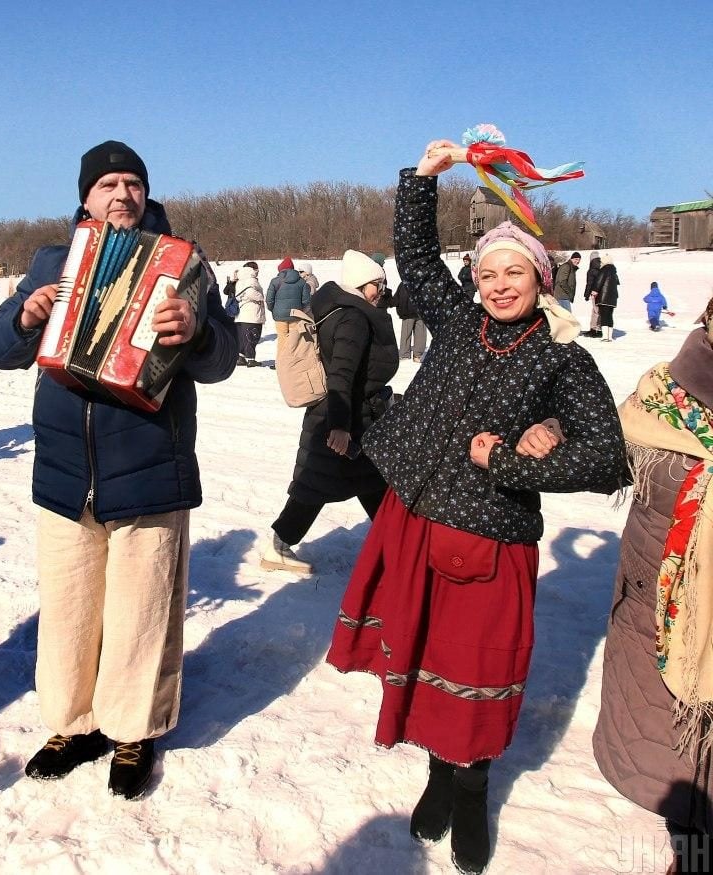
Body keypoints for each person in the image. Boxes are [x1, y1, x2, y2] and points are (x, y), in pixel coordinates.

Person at [325, 141, 629, 874]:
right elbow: (416, 258)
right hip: (415, 519)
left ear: (540, 279)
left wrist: (517, 460)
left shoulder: (561, 359)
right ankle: (437, 774)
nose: (498, 286)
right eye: (488, 273)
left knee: (476, 675)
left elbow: (607, 457)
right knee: (423, 657)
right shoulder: (461, 322)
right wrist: (422, 181)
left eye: (513, 272)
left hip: (491, 538)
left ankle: (471, 789)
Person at [0, 140, 237, 800]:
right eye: (108, 184)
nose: (122, 194)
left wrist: (198, 331)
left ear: (146, 193)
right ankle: (74, 723)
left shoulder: (185, 262)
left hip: (149, 463)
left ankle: (133, 729)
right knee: (69, 608)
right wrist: (24, 316)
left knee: (141, 610)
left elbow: (223, 358)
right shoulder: (51, 260)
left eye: (133, 183)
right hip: (67, 471)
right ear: (86, 197)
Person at [593, 308, 713, 875]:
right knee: (682, 784)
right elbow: (601, 456)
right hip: (658, 634)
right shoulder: (663, 397)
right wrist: (550, 436)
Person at [262, 249, 398, 573]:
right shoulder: (353, 318)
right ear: (361, 284)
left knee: (372, 482)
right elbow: (341, 375)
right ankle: (279, 546)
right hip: (343, 416)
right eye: (376, 284)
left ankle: (398, 548)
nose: (380, 291)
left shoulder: (342, 308)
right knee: (316, 486)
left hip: (352, 416)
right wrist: (339, 425)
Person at [266, 257, 312, 342]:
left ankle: (283, 351)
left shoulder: (275, 281)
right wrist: (301, 311)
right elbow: (306, 301)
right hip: (296, 315)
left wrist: (274, 310)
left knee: (282, 340)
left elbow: (269, 300)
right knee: (294, 341)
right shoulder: (302, 281)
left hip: (280, 316)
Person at [233, 261, 266, 366]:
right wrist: (261, 297)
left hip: (242, 313)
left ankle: (241, 357)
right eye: (256, 269)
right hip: (252, 313)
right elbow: (251, 293)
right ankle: (251, 359)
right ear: (252, 270)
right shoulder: (251, 280)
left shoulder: (240, 280)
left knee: (243, 337)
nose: (258, 271)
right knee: (252, 336)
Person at [394, 280, 428, 362]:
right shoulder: (423, 282)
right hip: (416, 313)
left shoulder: (403, 283)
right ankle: (416, 355)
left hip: (409, 313)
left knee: (408, 334)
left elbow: (396, 299)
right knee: (419, 334)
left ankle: (407, 354)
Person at [595, 254, 620, 342]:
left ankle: (605, 337)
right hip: (613, 298)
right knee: (610, 316)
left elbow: (599, 281)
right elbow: (617, 283)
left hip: (604, 297)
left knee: (604, 316)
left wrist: (595, 290)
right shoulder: (614, 272)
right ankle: (610, 336)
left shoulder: (604, 270)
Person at [582, 252, 603, 337]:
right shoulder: (602, 267)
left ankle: (595, 330)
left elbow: (590, 283)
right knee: (598, 311)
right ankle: (597, 328)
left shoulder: (592, 270)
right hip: (602, 293)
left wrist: (586, 295)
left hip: (595, 293)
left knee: (595, 311)